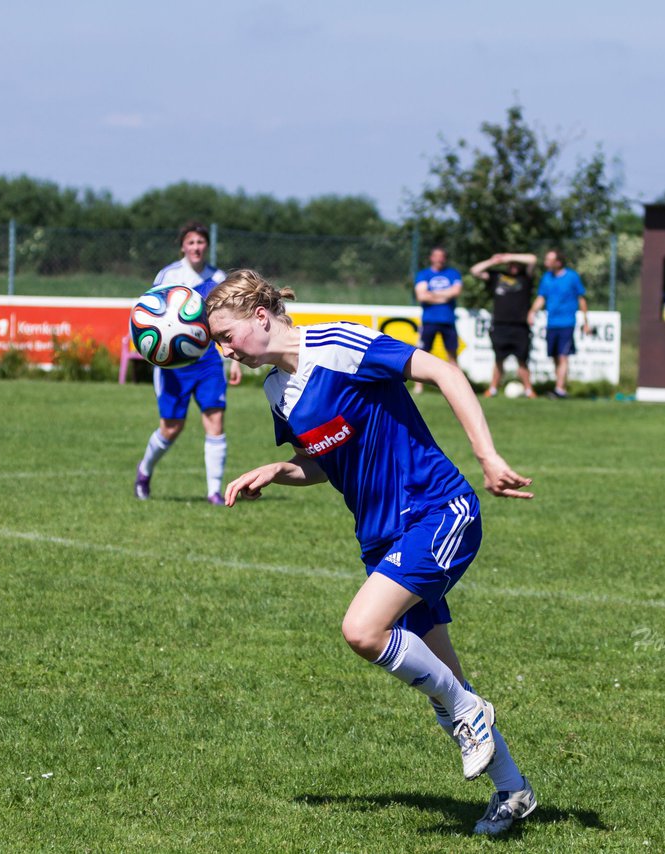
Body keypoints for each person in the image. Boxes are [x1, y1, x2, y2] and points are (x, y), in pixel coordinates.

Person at [205, 269, 538, 837]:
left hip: (437, 510)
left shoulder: (336, 344)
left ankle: (473, 717)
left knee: (363, 630)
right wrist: (277, 470)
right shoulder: (276, 393)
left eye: (226, 334)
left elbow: (442, 370)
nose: (223, 348)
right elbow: (324, 459)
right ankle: (514, 790)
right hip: (382, 538)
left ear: (260, 317)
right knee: (448, 687)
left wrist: (486, 455)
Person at [133, 222, 242, 503]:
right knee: (172, 426)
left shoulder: (217, 278)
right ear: (183, 246)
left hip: (207, 360)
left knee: (214, 420)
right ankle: (144, 470)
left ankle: (214, 492)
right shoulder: (169, 275)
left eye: (200, 242)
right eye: (191, 242)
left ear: (207, 246)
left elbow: (228, 320)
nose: (196, 247)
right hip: (173, 362)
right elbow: (148, 315)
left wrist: (236, 360)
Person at [470, 252, 538, 398]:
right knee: (499, 359)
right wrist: (492, 261)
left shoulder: (525, 278)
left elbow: (532, 259)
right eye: (510, 264)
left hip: (520, 326)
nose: (513, 266)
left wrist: (510, 256)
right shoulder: (497, 276)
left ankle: (529, 390)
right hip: (500, 325)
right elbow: (474, 271)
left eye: (515, 264)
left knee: (522, 360)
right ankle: (493, 389)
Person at [528, 250, 589, 398]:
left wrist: (586, 321)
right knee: (555, 356)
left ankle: (559, 389)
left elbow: (581, 299)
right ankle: (560, 387)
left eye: (549, 259)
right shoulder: (546, 278)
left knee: (563, 356)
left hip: (567, 323)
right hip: (551, 323)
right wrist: (532, 312)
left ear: (558, 262)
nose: (546, 262)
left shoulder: (572, 277)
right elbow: (541, 297)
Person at [412, 247, 462, 393]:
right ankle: (418, 386)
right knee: (422, 354)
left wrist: (432, 295)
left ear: (445, 258)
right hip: (429, 320)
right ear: (431, 258)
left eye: (442, 256)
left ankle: (457, 385)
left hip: (448, 320)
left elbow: (456, 292)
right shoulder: (423, 274)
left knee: (452, 354)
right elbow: (421, 296)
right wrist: (445, 296)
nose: (439, 259)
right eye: (436, 256)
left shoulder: (453, 273)